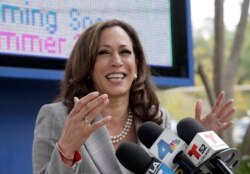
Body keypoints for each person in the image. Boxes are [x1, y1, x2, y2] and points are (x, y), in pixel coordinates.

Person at [32, 19, 236, 174]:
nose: (117, 61)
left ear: (137, 66)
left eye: (125, 52)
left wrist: (198, 151)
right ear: (87, 66)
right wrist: (66, 150)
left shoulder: (156, 119)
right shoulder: (58, 117)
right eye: (104, 52)